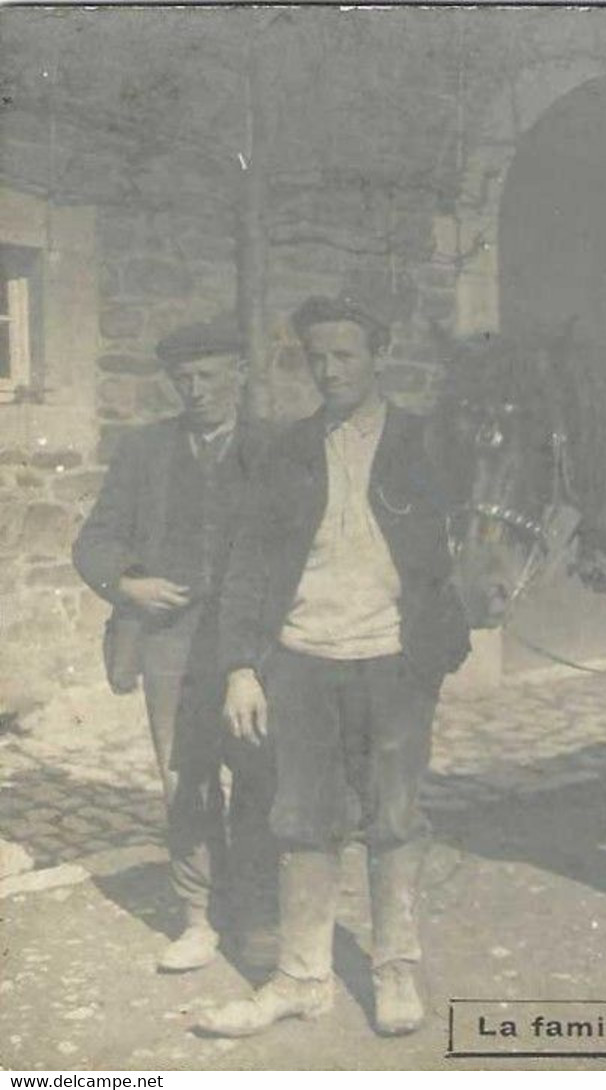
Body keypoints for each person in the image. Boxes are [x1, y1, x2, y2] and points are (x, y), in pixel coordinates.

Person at [196, 296, 470, 1039]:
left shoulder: (426, 443)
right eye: (317, 357)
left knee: (394, 814)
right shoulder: (285, 450)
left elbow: (467, 540)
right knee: (301, 819)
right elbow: (248, 563)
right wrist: (241, 669)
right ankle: (302, 976)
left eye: (344, 355)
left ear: (375, 355)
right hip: (302, 661)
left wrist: (443, 640)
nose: (329, 370)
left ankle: (394, 968)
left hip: (394, 662)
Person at [72, 315, 279, 973]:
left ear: (240, 374)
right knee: (183, 780)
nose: (197, 390)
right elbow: (93, 541)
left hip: (257, 645)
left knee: (256, 777)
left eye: (210, 376)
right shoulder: (145, 451)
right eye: (184, 379)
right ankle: (197, 918)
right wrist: (131, 585)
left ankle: (253, 914)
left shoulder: (278, 449)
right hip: (171, 641)